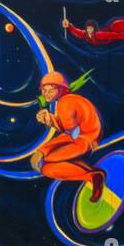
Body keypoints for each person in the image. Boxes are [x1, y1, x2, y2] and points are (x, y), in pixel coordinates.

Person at [32, 71, 105, 203]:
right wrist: (50, 120)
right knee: (48, 168)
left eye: (51, 90)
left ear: (61, 89)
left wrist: (42, 151)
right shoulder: (68, 101)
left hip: (85, 140)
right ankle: (92, 174)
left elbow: (71, 135)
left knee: (46, 160)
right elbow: (69, 128)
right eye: (44, 90)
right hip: (83, 138)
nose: (46, 94)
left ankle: (92, 176)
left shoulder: (65, 103)